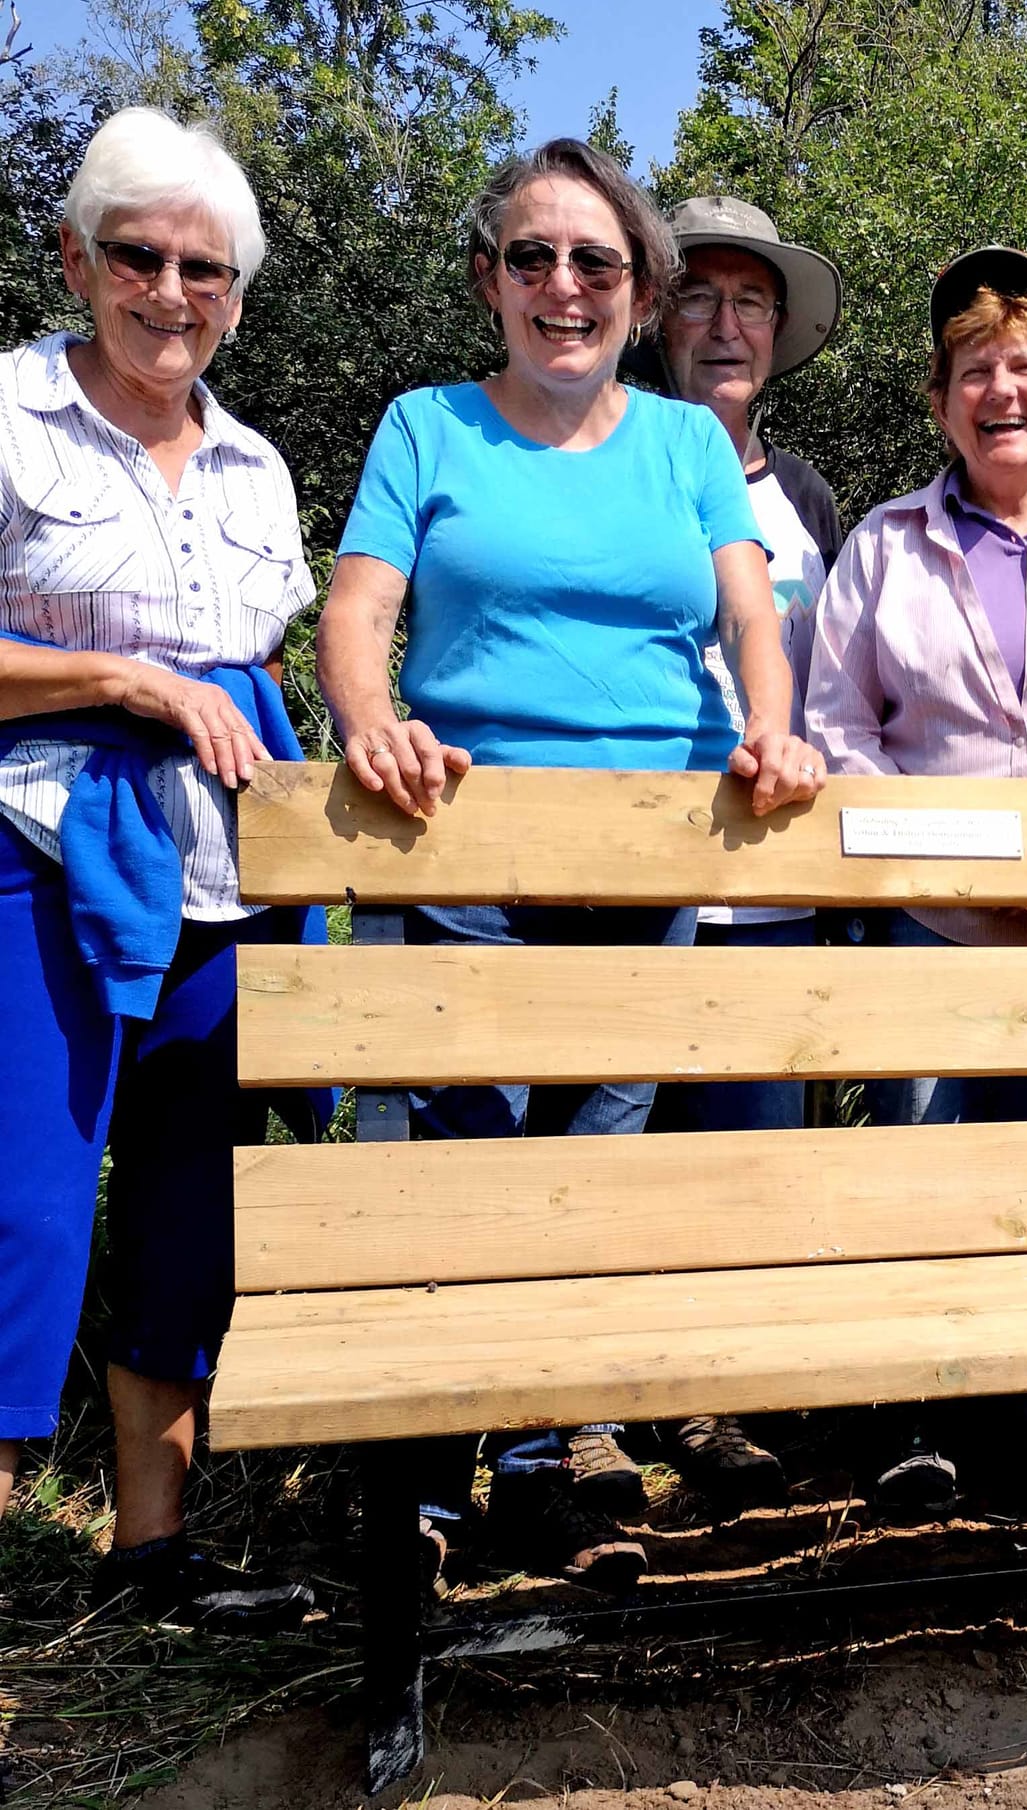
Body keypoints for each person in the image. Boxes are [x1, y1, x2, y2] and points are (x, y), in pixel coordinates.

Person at [317, 139, 821, 1590]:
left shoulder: (681, 446)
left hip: (645, 850)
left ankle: (539, 1464)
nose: (563, 285)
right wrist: (370, 723)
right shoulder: (427, 429)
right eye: (533, 257)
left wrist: (774, 736)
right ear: (490, 280)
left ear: (635, 288)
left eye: (595, 261)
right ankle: (423, 1472)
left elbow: (751, 620)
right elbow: (361, 613)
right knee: (463, 1158)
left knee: (588, 1160)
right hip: (460, 837)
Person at [0, 107, 322, 1627]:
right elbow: (151, 677)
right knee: (25, 1209)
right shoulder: (10, 414)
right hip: (35, 857)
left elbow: (273, 674)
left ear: (240, 295)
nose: (172, 291)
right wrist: (123, 685)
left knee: (193, 1207)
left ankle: (152, 1550)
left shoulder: (258, 467)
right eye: (139, 254)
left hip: (221, 875)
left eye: (207, 268)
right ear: (77, 258)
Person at [807, 246, 1027, 1515]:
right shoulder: (883, 546)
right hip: (927, 922)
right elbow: (838, 726)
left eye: (1023, 368)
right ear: (939, 400)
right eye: (972, 371)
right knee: (920, 1158)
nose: (998, 390)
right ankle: (916, 1410)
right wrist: (940, 870)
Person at [637, 196, 844, 1510]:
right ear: (657, 317)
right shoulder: (607, 456)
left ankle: (713, 1400)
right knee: (608, 1148)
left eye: (750, 300)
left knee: (746, 1161)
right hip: (632, 872)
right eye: (700, 297)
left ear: (778, 330)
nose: (725, 323)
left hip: (771, 886)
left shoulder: (812, 495)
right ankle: (590, 1407)